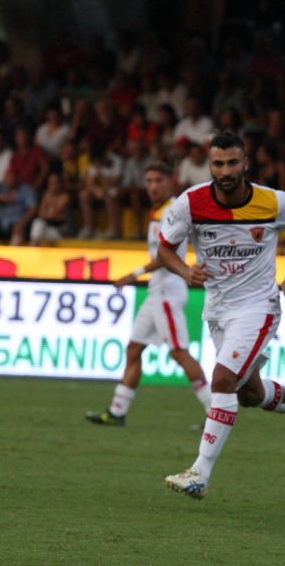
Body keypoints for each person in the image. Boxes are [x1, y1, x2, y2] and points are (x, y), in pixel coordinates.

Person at [157, 131, 285, 499]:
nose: (226, 170)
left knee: (222, 380)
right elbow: (165, 250)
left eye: (233, 162)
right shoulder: (191, 203)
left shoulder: (275, 203)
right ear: (210, 166)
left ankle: (199, 473)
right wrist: (186, 272)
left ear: (245, 163)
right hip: (218, 309)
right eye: (218, 163)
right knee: (249, 393)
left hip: (258, 306)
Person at [85, 162, 211, 426]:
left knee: (179, 352)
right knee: (133, 349)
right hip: (156, 292)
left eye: (158, 180)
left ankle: (215, 414)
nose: (152, 186)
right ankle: (117, 412)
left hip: (167, 291)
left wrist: (134, 274)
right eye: (149, 181)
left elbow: (168, 257)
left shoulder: (173, 211)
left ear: (169, 182)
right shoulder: (159, 211)